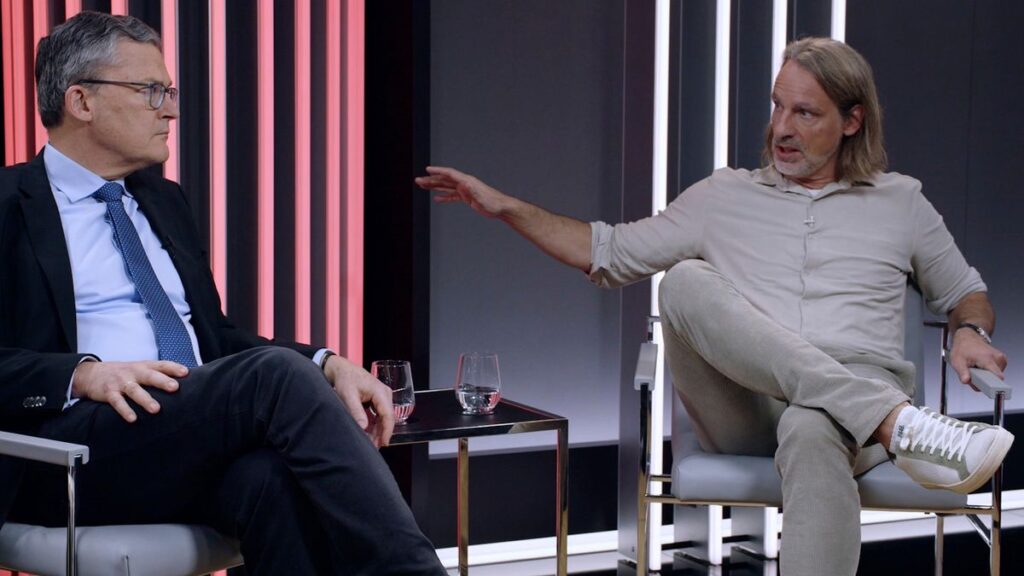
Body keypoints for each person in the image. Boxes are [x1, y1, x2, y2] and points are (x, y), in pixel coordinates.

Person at [417, 37, 1014, 575]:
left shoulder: (901, 202)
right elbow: (606, 252)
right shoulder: (724, 194)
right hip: (748, 407)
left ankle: (877, 417)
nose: (781, 128)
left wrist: (968, 330)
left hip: (844, 413)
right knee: (682, 282)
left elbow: (966, 294)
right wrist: (506, 208)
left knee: (813, 425)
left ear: (852, 120)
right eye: (777, 106)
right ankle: (896, 423)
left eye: (805, 113)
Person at [0, 11, 445, 575]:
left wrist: (327, 363)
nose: (170, 110)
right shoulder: (9, 203)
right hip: (68, 453)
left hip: (181, 435)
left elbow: (217, 340)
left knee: (270, 479)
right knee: (274, 376)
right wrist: (82, 374)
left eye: (170, 92)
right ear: (81, 101)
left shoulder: (165, 202)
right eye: (150, 91)